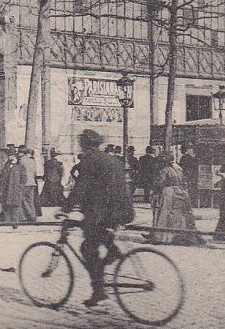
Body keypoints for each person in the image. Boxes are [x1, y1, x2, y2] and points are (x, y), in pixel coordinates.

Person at [61, 129, 135, 307]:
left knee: (88, 248)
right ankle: (113, 252)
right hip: (122, 210)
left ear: (85, 145)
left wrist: (66, 208)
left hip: (102, 213)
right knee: (99, 238)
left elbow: (81, 188)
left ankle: (99, 290)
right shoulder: (113, 160)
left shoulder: (89, 161)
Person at [148, 155, 203, 245]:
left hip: (168, 192)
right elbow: (184, 181)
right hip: (181, 191)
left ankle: (162, 237)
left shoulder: (164, 171)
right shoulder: (178, 170)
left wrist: (154, 189)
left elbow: (160, 183)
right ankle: (181, 235)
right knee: (181, 214)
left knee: (165, 213)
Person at [0, 151, 25, 223]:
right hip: (6, 190)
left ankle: (15, 222)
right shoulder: (6, 165)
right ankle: (7, 222)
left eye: (9, 156)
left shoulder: (20, 166)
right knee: (6, 206)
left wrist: (20, 188)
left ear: (14, 156)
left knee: (15, 207)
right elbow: (2, 177)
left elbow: (24, 179)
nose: (8, 157)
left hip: (15, 190)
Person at [18, 147, 41, 221]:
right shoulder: (32, 161)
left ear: (21, 153)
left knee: (23, 200)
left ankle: (27, 216)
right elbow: (35, 172)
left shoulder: (21, 161)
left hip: (25, 183)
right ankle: (33, 215)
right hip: (32, 183)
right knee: (30, 200)